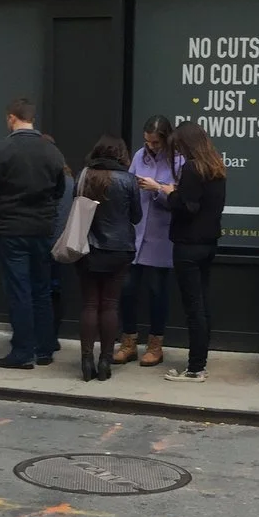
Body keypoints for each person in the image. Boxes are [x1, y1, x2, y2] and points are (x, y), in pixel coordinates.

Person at [0, 99, 69, 369]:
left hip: (10, 228)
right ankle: (44, 349)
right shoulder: (52, 151)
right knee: (41, 289)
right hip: (42, 228)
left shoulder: (2, 149)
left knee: (19, 290)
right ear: (33, 119)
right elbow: (59, 189)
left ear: (11, 118)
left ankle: (22, 351)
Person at [163, 121, 228, 382]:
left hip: (188, 244)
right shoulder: (216, 166)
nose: (178, 151)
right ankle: (200, 362)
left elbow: (188, 207)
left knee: (193, 308)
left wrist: (170, 193)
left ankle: (195, 368)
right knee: (202, 304)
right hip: (209, 242)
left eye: (179, 146)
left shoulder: (192, 168)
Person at [72, 136, 141, 382]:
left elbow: (75, 208)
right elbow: (136, 216)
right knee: (110, 305)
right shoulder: (128, 180)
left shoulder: (84, 175)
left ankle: (86, 360)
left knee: (90, 304)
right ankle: (105, 361)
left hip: (87, 247)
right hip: (119, 249)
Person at [117, 116, 179, 368]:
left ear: (166, 139)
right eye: (147, 141)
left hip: (161, 234)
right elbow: (128, 186)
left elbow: (179, 200)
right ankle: (128, 342)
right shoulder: (139, 156)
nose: (151, 147)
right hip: (136, 232)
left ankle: (155, 345)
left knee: (157, 291)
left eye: (155, 142)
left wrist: (158, 189)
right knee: (127, 289)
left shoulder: (178, 160)